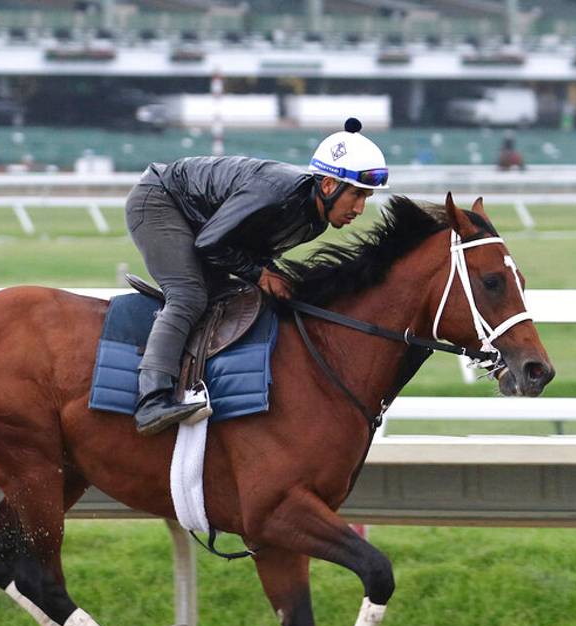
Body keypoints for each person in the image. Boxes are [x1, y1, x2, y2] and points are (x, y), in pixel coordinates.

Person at [124, 117, 390, 435]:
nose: (360, 208)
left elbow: (249, 251)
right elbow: (210, 243)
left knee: (236, 300)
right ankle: (151, 399)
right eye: (357, 195)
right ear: (330, 185)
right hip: (161, 201)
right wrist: (260, 273)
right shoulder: (276, 192)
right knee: (189, 295)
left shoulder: (315, 221)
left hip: (202, 223)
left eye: (366, 198)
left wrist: (269, 275)